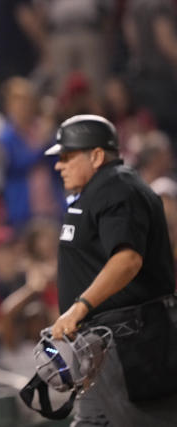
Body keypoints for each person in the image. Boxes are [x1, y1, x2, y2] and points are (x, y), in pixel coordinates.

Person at [45, 114, 177, 426]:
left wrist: (78, 308)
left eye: (67, 156)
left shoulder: (119, 188)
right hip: (102, 348)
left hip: (132, 343)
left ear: (96, 155)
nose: (58, 165)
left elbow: (127, 259)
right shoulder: (96, 191)